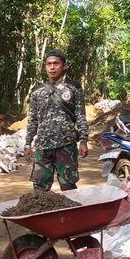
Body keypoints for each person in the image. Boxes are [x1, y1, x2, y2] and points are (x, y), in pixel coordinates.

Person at [24, 49, 88, 191]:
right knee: (40, 189)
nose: (52, 67)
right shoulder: (37, 91)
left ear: (64, 66)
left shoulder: (74, 88)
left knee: (68, 186)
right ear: (45, 67)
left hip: (66, 145)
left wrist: (83, 141)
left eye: (56, 64)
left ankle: (71, 214)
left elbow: (80, 116)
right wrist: (27, 144)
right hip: (43, 147)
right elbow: (32, 120)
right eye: (49, 64)